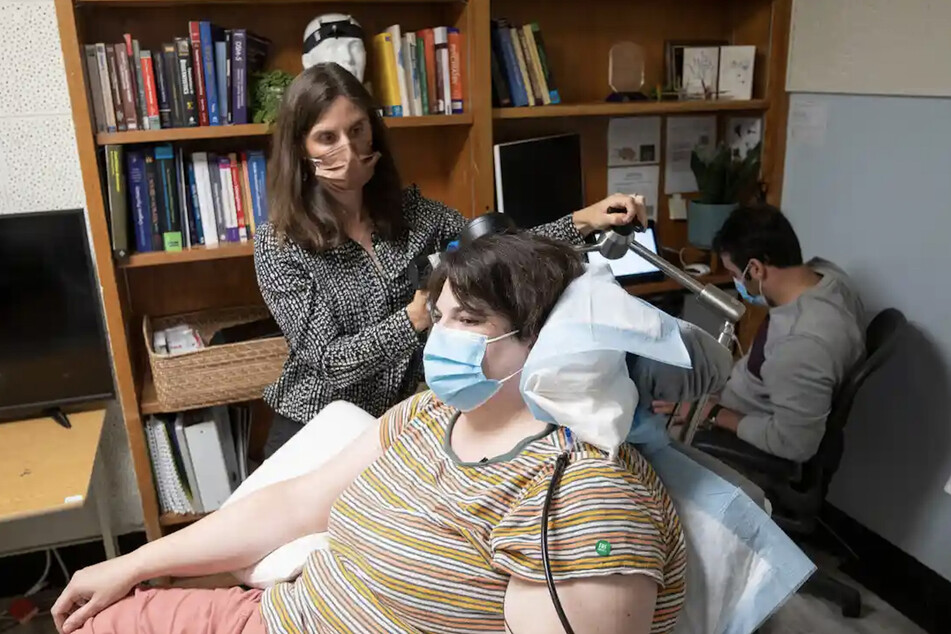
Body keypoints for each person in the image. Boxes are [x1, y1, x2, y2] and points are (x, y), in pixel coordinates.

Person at [52, 233, 685, 634]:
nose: (439, 339)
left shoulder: (583, 501)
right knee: (97, 617)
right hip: (276, 616)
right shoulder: (430, 416)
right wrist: (130, 563)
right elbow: (295, 505)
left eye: (468, 319)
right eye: (438, 318)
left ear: (548, 340)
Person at [255, 63, 646, 455]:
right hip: (315, 425)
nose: (349, 150)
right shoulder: (280, 243)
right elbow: (330, 361)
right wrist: (417, 318)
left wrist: (584, 220)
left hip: (396, 425)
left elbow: (497, 248)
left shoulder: (413, 213)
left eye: (357, 130)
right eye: (327, 138)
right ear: (300, 149)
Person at [654, 204, 865, 462]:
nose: (736, 282)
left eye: (733, 273)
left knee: (649, 437)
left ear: (755, 269)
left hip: (736, 429)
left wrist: (710, 412)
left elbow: (794, 444)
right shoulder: (828, 277)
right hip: (735, 392)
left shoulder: (801, 344)